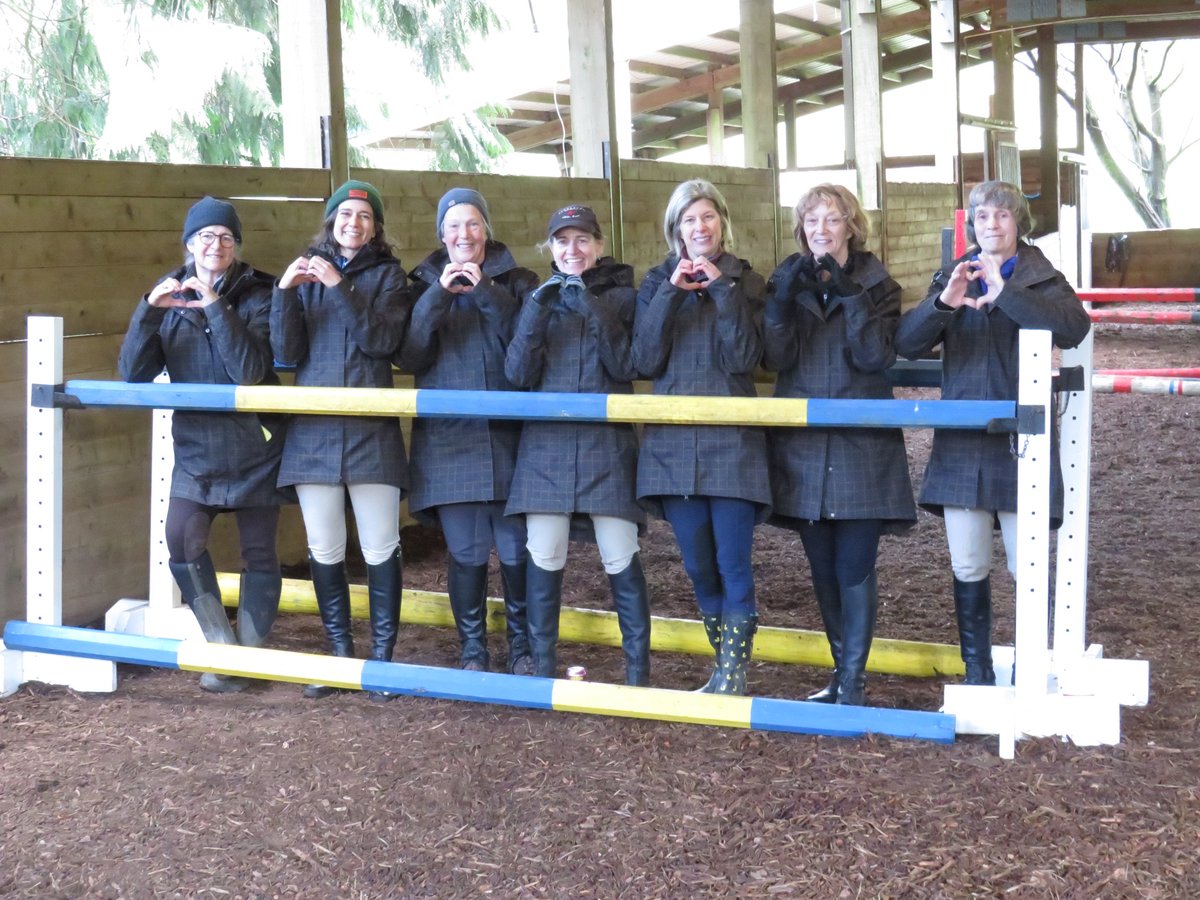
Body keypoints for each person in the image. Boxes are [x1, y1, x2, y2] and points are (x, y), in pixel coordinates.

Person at [895, 180, 1091, 685]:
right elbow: (908, 344)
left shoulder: (1044, 278)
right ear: (973, 225)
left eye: (1002, 216)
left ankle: (1031, 667)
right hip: (962, 440)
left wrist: (1007, 295)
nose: (992, 226)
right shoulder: (954, 273)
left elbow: (1074, 328)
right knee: (967, 563)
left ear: (1018, 223)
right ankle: (977, 672)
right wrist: (944, 301)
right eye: (983, 218)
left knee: (1026, 566)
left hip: (1020, 439)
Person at [118, 196, 290, 693]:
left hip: (255, 445)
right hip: (196, 448)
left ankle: (250, 658)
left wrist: (215, 304)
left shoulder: (260, 293)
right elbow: (133, 371)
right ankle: (222, 650)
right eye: (205, 237)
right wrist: (149, 311)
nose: (216, 245)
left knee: (259, 551)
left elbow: (251, 371)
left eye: (226, 237)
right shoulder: (168, 296)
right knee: (181, 538)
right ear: (189, 243)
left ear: (236, 246)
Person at [762, 184, 916, 707]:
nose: (821, 230)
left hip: (860, 444)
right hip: (803, 445)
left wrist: (851, 296)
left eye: (832, 219)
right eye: (812, 220)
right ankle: (840, 672)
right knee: (821, 565)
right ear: (801, 228)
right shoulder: (787, 277)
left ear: (851, 225)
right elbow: (776, 356)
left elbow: (875, 356)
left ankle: (852, 680)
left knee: (854, 564)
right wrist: (780, 301)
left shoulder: (879, 284)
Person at [271, 179, 411, 700]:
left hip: (372, 429)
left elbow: (381, 342)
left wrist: (339, 285)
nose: (354, 224)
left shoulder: (391, 277)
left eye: (364, 217)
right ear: (331, 223)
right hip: (314, 433)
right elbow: (286, 353)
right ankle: (340, 657)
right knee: (324, 547)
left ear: (375, 228)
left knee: (380, 545)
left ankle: (382, 661)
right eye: (345, 215)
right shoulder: (306, 274)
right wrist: (285, 291)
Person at [632, 179, 770, 696]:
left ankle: (735, 674)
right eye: (688, 220)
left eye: (707, 217)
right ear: (676, 229)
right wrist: (672, 291)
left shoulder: (747, 282)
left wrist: (720, 289)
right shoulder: (653, 282)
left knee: (733, 560)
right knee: (696, 564)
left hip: (733, 444)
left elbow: (744, 359)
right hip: (672, 447)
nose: (699, 228)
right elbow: (643, 359)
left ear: (722, 224)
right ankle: (721, 665)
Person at [504, 204, 651, 686]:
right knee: (543, 555)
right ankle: (544, 672)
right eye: (563, 241)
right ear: (550, 249)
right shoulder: (536, 296)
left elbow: (627, 365)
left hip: (606, 446)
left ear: (599, 246)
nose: (573, 250)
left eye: (583, 240)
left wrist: (588, 301)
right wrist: (537, 308)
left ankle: (638, 675)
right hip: (545, 447)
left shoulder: (626, 297)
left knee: (619, 553)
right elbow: (518, 374)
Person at [399, 188, 539, 674]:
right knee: (465, 550)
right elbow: (410, 354)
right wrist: (441, 292)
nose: (464, 234)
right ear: (442, 235)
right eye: (454, 226)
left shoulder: (520, 281)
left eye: (474, 224)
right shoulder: (419, 284)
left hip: (510, 436)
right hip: (449, 440)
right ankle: (473, 649)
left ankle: (522, 648)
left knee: (518, 548)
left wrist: (483, 290)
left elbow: (525, 344)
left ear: (487, 231)